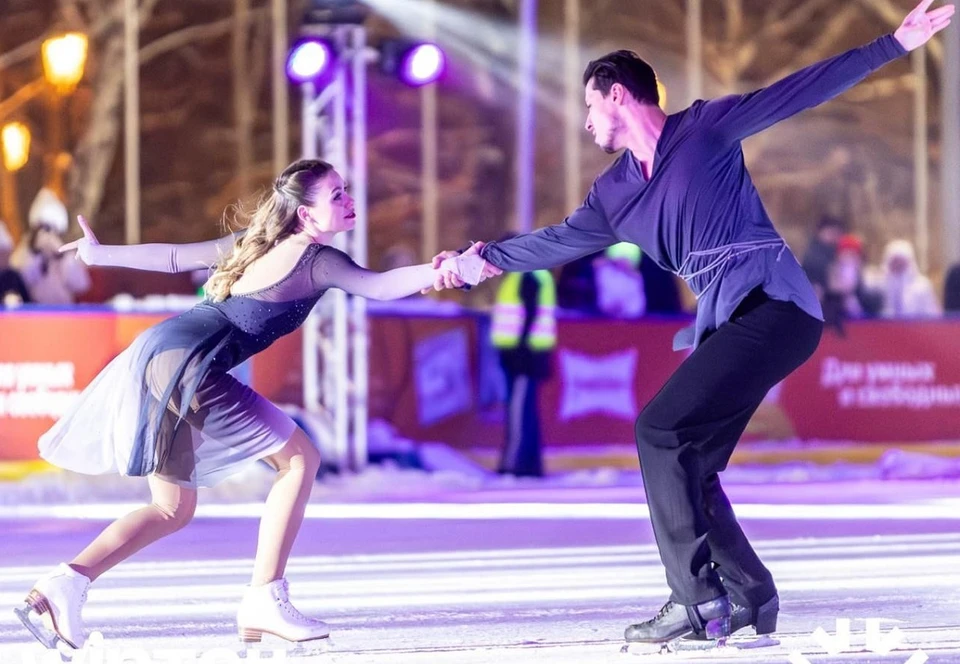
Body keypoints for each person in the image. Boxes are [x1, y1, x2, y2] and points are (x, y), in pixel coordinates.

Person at [432, 0, 952, 645]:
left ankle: (695, 598)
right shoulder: (614, 196)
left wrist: (892, 45)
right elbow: (558, 241)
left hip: (776, 306)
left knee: (658, 429)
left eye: (592, 106)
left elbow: (795, 93)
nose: (587, 119)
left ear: (617, 96)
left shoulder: (704, 130)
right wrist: (480, 260)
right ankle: (751, 596)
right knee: (688, 462)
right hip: (735, 321)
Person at [15, 159, 485, 652]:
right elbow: (381, 286)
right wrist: (445, 269)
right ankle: (265, 596)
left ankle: (61, 587)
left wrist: (99, 253)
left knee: (172, 508)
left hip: (163, 353)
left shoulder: (253, 241)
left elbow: (176, 257)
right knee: (300, 457)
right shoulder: (316, 260)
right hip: (193, 362)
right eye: (337, 196)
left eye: (346, 192)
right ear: (305, 215)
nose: (349, 202)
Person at [490, 255, 556, 477]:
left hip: (525, 355)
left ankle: (515, 464)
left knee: (519, 411)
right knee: (524, 410)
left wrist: (520, 347)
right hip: (527, 353)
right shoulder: (533, 273)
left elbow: (530, 313)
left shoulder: (527, 275)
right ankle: (529, 464)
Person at [11, 188, 91, 305]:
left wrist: (61, 255)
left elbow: (81, 285)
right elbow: (20, 281)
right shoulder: (26, 249)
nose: (47, 234)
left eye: (51, 228)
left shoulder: (69, 251)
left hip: (64, 312)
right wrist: (35, 252)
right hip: (34, 312)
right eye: (42, 227)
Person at [879, 239, 941, 318]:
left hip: (918, 328)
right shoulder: (880, 286)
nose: (898, 264)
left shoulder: (922, 286)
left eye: (901, 261)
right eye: (895, 261)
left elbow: (932, 314)